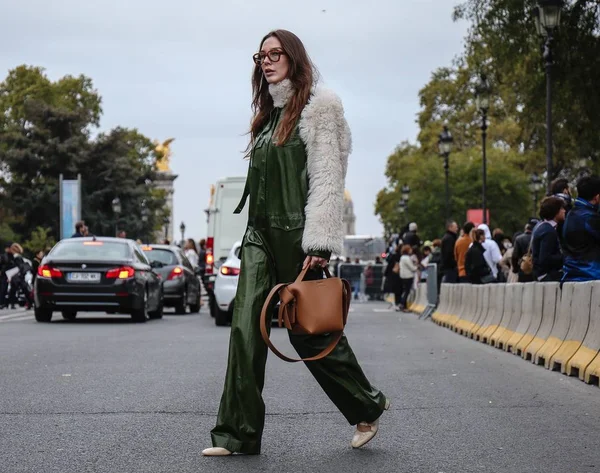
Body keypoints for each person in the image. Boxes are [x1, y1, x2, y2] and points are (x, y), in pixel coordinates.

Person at [203, 29, 388, 457]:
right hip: (258, 236)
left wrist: (319, 244)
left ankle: (365, 406)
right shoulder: (267, 116)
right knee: (244, 330)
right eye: (260, 55)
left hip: (297, 237)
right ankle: (237, 434)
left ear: (294, 58)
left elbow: (328, 177)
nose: (265, 62)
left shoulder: (320, 108)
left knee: (309, 332)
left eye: (274, 54)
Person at [561, 176, 600, 282]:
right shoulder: (589, 217)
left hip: (572, 274)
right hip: (591, 274)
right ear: (597, 198)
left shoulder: (571, 214)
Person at [531, 197, 565, 282]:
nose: (564, 211)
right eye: (561, 208)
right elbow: (545, 259)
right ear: (555, 211)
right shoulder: (548, 231)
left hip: (541, 275)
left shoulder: (542, 227)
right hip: (547, 276)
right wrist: (565, 257)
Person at [398, 244, 417, 311]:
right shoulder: (407, 258)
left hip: (403, 276)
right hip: (408, 276)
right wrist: (416, 267)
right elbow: (412, 267)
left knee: (405, 291)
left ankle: (403, 305)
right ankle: (402, 304)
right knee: (407, 291)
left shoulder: (402, 257)